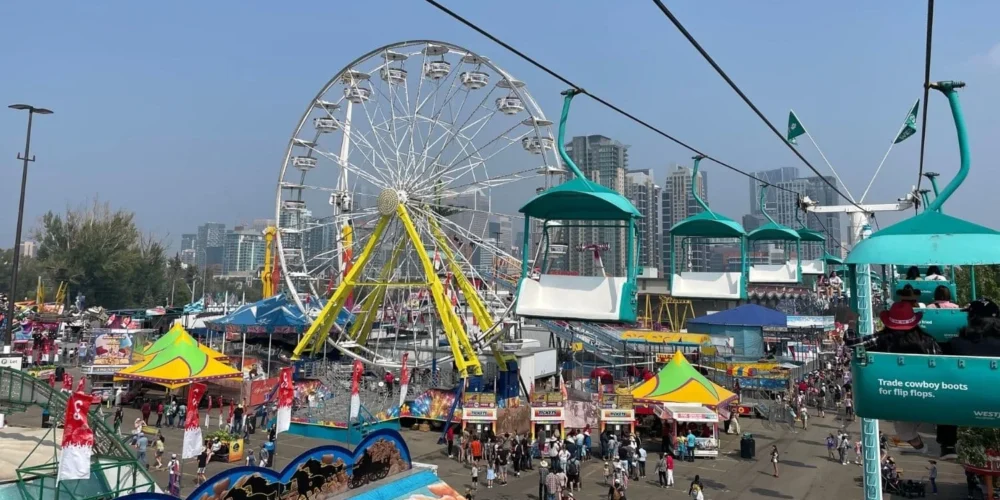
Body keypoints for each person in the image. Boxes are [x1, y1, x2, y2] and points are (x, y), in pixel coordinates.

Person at [870, 301, 942, 453]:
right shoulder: (928, 342)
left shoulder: (881, 342)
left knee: (904, 429)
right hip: (928, 392)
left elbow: (855, 345)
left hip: (894, 393)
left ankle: (921, 447)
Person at [938, 298, 1000, 460]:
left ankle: (948, 443)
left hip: (965, 401)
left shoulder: (956, 344)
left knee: (947, 391)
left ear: (971, 319)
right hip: (996, 401)